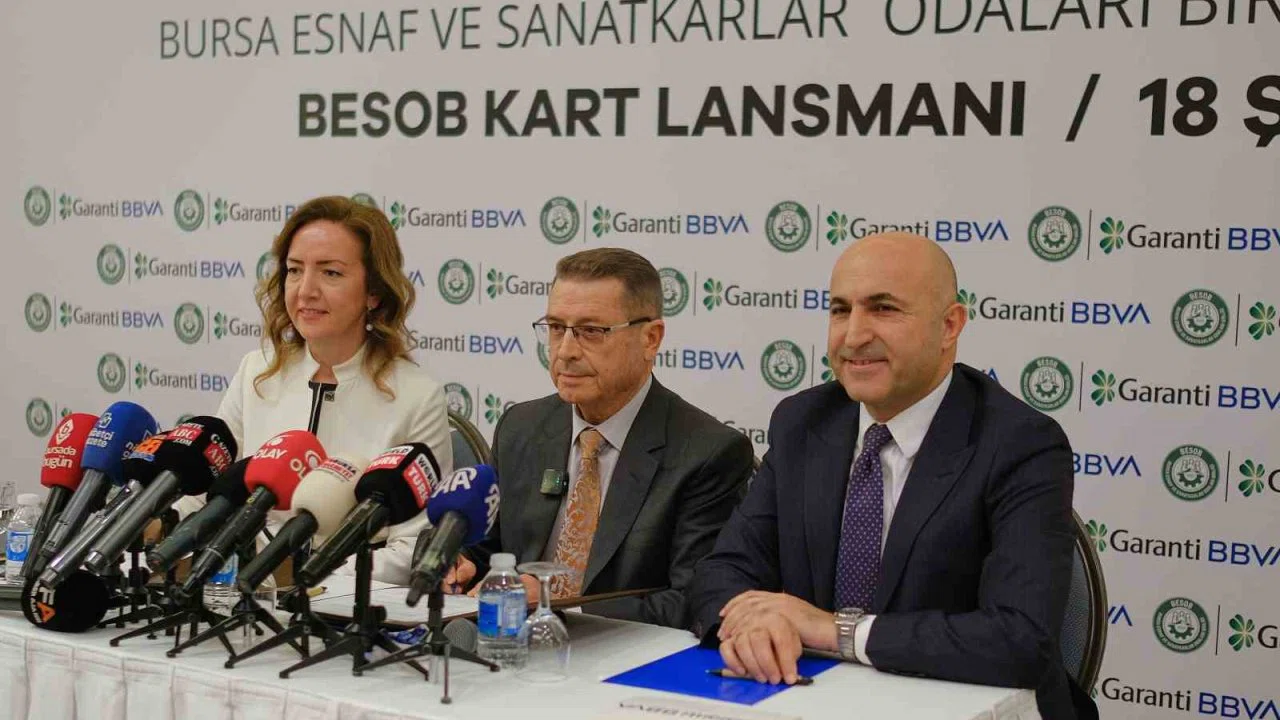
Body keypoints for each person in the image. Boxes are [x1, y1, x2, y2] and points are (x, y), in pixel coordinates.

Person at [688, 233, 1095, 720]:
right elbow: (722, 572)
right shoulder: (804, 422)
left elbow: (1020, 639)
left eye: (883, 309)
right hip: (816, 700)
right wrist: (753, 626)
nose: (853, 336)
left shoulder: (1020, 443)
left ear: (949, 325)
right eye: (840, 310)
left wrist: (834, 630)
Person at [443, 248, 754, 629]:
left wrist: (555, 607)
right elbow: (487, 551)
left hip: (624, 655)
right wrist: (461, 563)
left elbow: (693, 600)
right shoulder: (521, 427)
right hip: (509, 645)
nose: (566, 352)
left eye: (591, 331)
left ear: (651, 338)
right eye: (556, 328)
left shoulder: (708, 453)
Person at [175, 195, 452, 584]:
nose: (305, 291)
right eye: (294, 270)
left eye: (331, 273)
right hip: (244, 597)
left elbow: (415, 549)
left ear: (373, 292)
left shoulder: (417, 396)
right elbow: (205, 497)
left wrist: (300, 578)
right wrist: (160, 528)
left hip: (345, 605)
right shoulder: (256, 372)